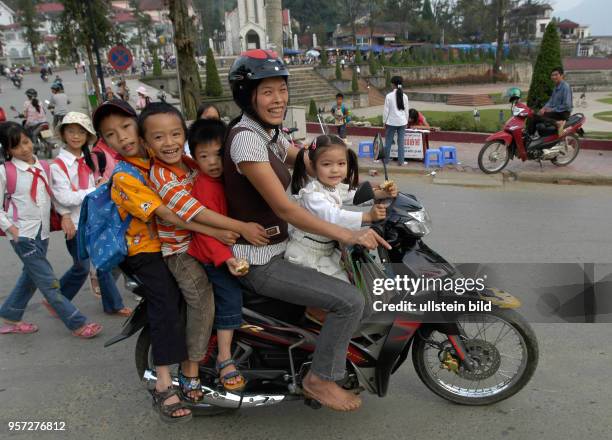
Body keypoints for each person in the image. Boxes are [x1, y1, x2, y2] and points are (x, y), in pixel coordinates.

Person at [226, 50, 387, 412]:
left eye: (282, 90)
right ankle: (320, 379)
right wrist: (348, 233)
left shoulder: (267, 133)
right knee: (350, 302)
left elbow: (307, 160)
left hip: (281, 246)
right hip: (261, 260)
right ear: (246, 94)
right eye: (267, 91)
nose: (278, 99)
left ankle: (316, 341)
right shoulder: (246, 140)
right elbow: (285, 209)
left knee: (349, 282)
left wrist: (357, 184)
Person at [93, 99, 228, 423]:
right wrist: (220, 229)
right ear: (103, 141)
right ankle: (166, 382)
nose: (122, 138)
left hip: (177, 241)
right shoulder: (125, 176)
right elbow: (171, 214)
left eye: (126, 127)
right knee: (166, 301)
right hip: (145, 251)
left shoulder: (155, 155)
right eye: (111, 135)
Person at [144, 102, 267, 396]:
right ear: (146, 142)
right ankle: (194, 367)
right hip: (181, 250)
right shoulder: (162, 176)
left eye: (175, 134)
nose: (169, 142)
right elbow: (195, 213)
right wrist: (237, 231)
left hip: (204, 241)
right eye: (158, 137)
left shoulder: (188, 165)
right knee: (205, 300)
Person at [0, 122, 103, 338]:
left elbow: (52, 196)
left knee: (30, 276)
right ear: (8, 150)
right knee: (49, 283)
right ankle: (77, 323)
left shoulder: (43, 167)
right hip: (23, 236)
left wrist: (64, 216)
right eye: (17, 146)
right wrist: (13, 230)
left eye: (26, 142)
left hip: (42, 233)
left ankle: (10, 315)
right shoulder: (4, 172)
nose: (25, 149)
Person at [187, 118, 250, 391]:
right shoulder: (203, 186)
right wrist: (227, 259)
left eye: (218, 154)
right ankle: (225, 356)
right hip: (210, 254)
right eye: (204, 156)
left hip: (227, 246)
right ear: (194, 157)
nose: (213, 162)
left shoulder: (227, 178)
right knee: (230, 295)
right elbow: (205, 232)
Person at [51, 112, 131, 317]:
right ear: (63, 134)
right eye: (71, 131)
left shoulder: (88, 160)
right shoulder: (57, 166)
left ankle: (113, 304)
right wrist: (93, 192)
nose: (76, 136)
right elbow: (63, 197)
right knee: (81, 267)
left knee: (103, 262)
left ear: (87, 137)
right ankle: (57, 301)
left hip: (94, 221)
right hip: (76, 224)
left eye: (81, 132)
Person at [286, 134, 391, 282]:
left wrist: (379, 193)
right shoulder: (312, 194)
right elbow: (333, 216)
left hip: (327, 250)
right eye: (327, 164)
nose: (335, 170)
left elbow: (353, 196)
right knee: (333, 296)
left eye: (341, 164)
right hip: (307, 254)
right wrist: (367, 217)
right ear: (313, 165)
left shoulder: (332, 187)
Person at [531, 66, 573, 137]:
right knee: (536, 115)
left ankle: (557, 123)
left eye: (556, 75)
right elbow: (550, 101)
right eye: (552, 75)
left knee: (537, 117)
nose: (554, 77)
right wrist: (544, 109)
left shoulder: (565, 87)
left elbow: (567, 105)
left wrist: (552, 110)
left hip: (563, 113)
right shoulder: (556, 87)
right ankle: (533, 137)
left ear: (562, 75)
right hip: (556, 112)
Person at [383, 76, 409, 165]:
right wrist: (406, 121)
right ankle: (401, 161)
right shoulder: (404, 96)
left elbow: (386, 111)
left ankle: (386, 161)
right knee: (401, 142)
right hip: (402, 122)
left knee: (388, 141)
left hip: (391, 122)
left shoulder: (389, 96)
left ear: (393, 84)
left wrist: (384, 122)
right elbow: (406, 111)